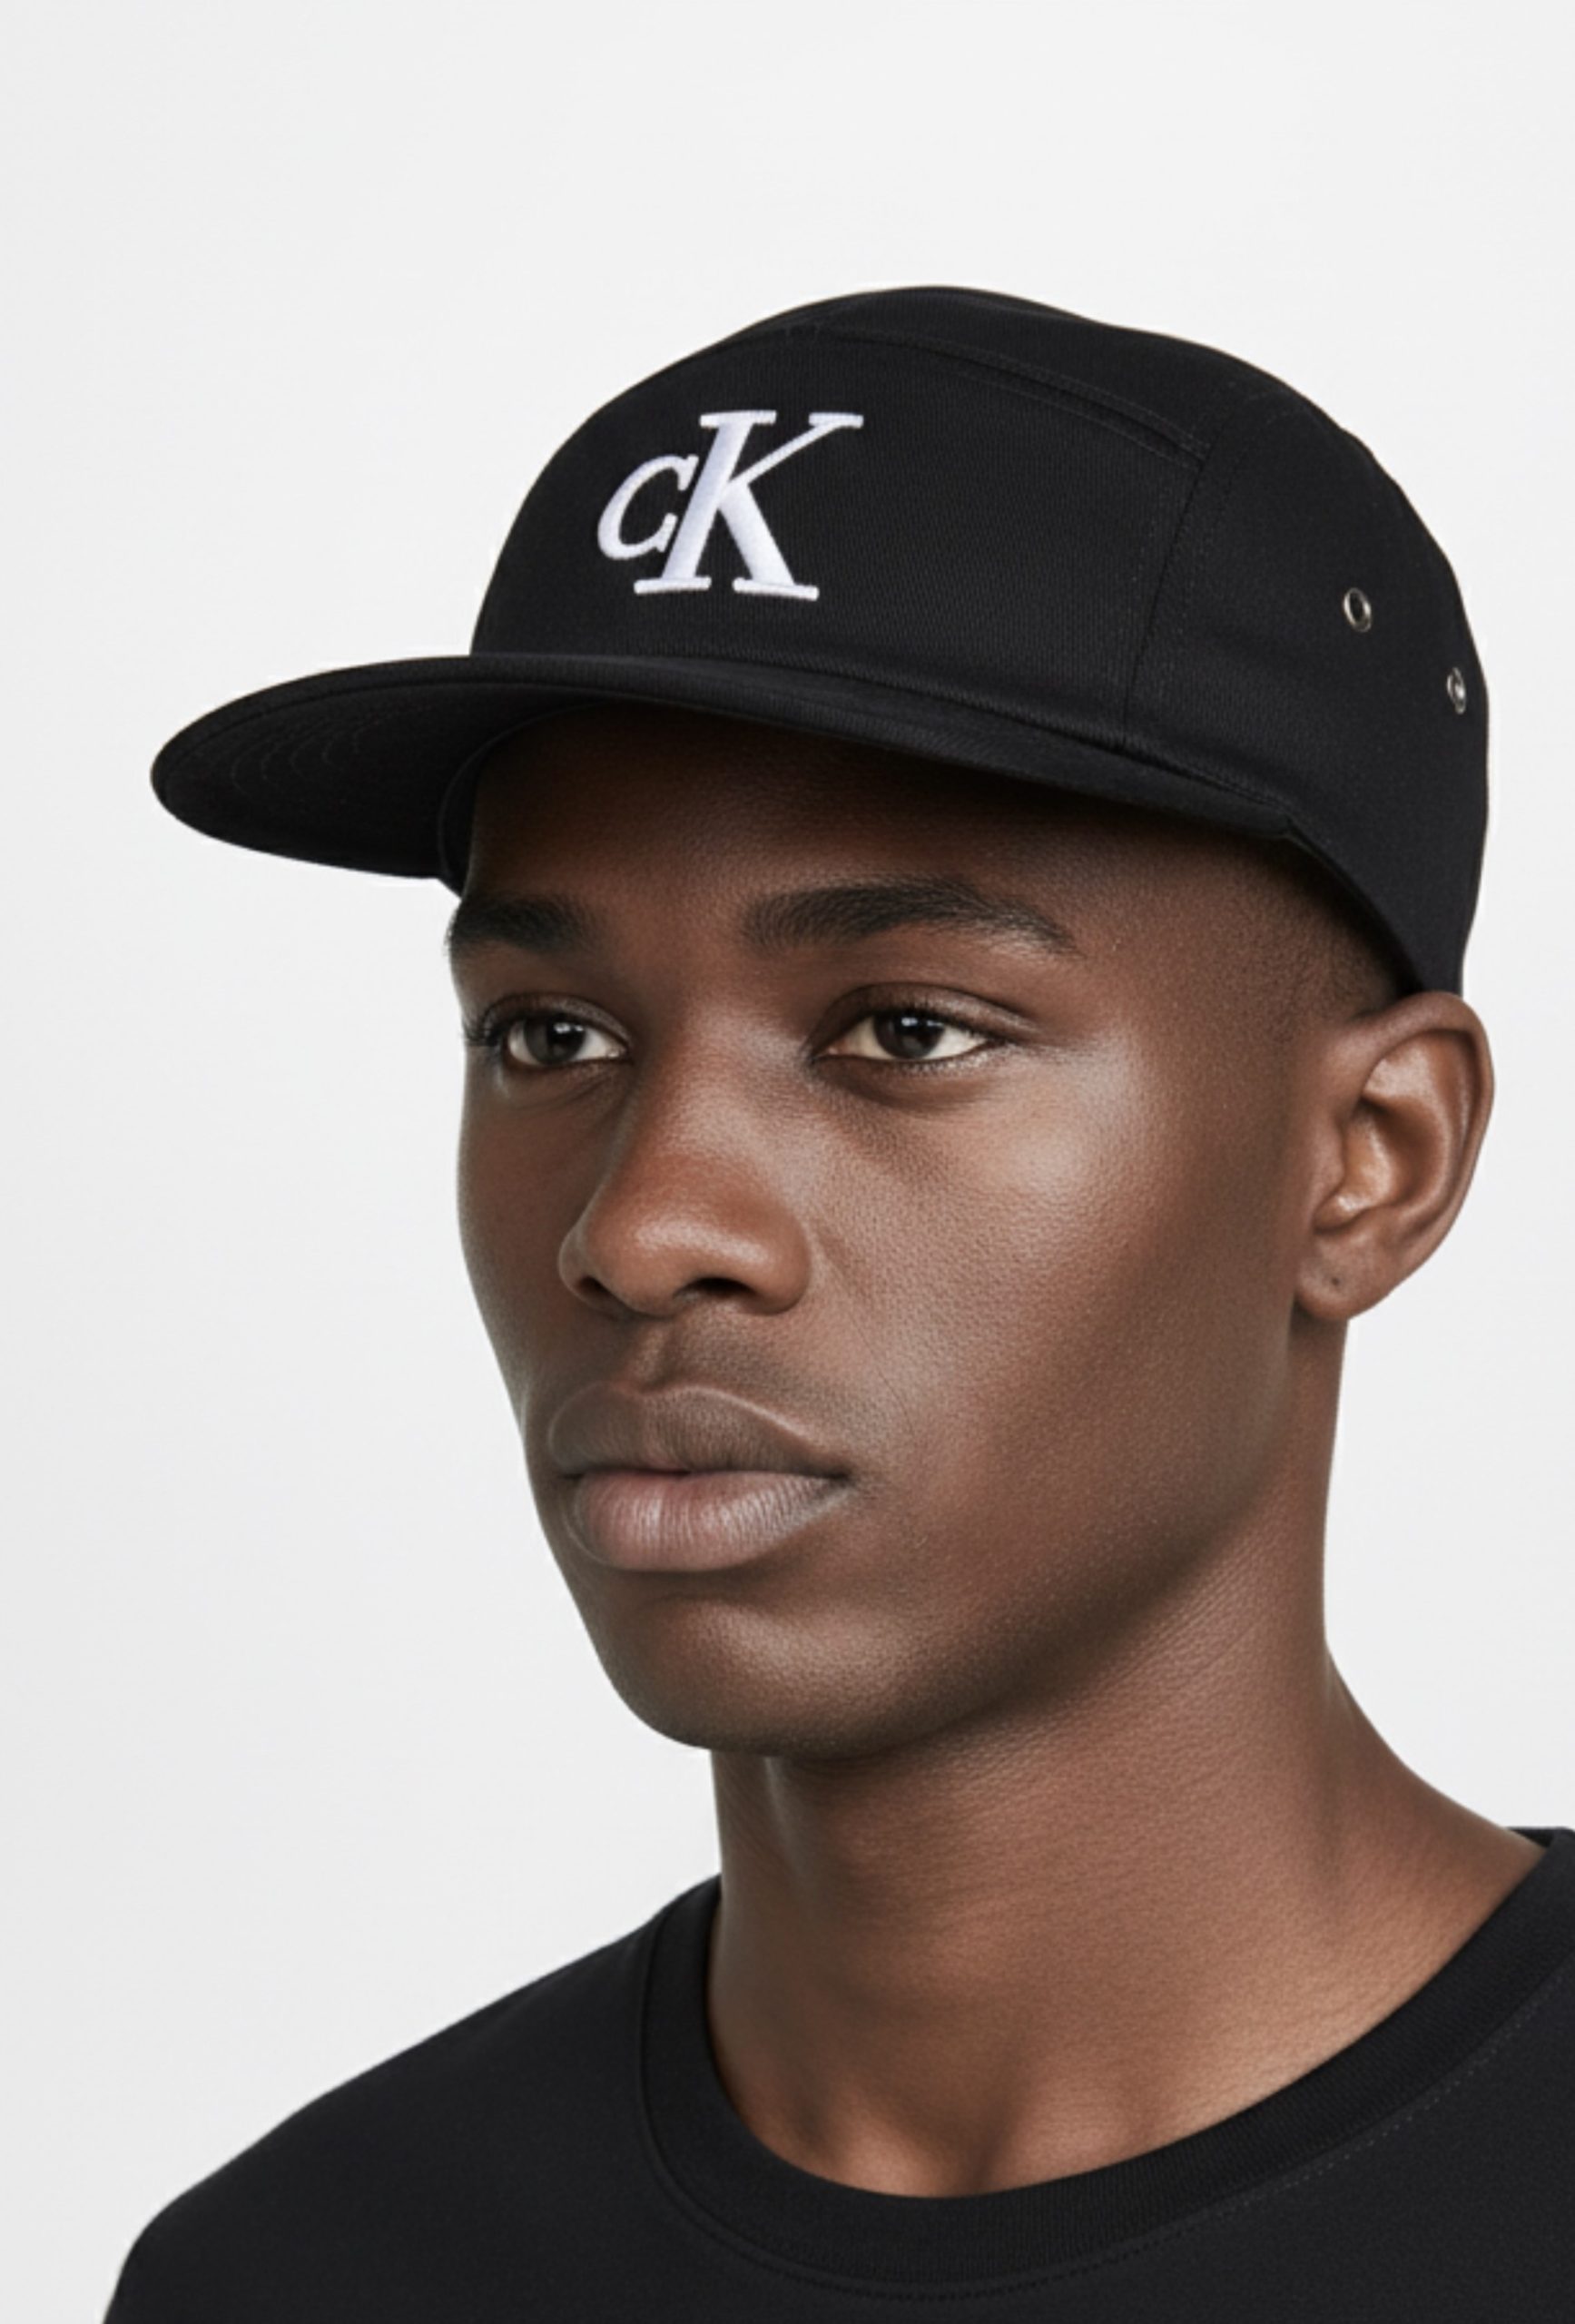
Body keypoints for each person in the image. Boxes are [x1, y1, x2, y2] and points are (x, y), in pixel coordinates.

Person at [104, 287, 1573, 2319]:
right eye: (548, 1035)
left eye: (907, 1027)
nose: (643, 1227)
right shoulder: (303, 2275)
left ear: (1371, 1159)